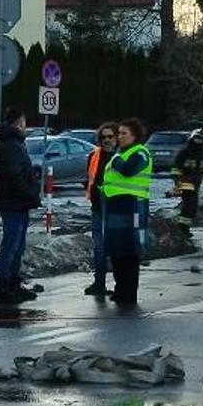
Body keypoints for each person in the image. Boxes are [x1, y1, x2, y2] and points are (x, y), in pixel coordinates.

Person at [0, 108, 39, 304]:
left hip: (15, 202)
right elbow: (16, 176)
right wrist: (30, 194)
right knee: (12, 245)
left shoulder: (12, 144)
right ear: (19, 123)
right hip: (13, 203)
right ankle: (5, 287)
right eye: (24, 122)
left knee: (16, 245)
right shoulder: (12, 145)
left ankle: (12, 284)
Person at [102, 118, 153, 305]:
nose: (120, 137)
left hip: (132, 206)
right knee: (117, 251)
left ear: (135, 136)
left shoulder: (140, 152)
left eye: (124, 133)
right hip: (116, 205)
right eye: (120, 133)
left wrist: (114, 159)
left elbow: (129, 171)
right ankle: (120, 289)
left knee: (130, 252)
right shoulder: (120, 153)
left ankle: (129, 293)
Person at [82, 121, 118, 296]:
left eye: (110, 137)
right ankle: (99, 283)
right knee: (99, 248)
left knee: (117, 249)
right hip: (97, 208)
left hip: (117, 210)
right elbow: (88, 179)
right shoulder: (94, 156)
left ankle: (121, 285)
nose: (107, 140)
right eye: (103, 137)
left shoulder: (121, 157)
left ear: (116, 138)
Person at [173, 128, 203, 229]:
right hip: (185, 182)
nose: (198, 142)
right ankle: (182, 228)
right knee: (190, 205)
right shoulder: (184, 152)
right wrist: (177, 181)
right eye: (196, 139)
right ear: (192, 138)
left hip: (196, 184)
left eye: (200, 139)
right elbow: (176, 168)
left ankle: (185, 227)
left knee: (192, 207)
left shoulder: (202, 155)